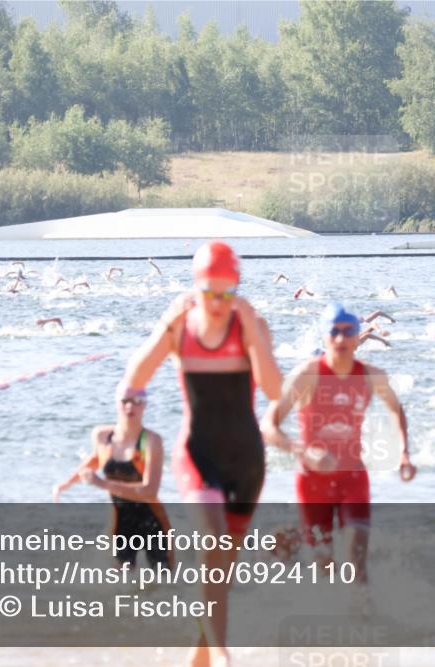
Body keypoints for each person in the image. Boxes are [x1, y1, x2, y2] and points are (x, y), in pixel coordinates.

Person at [119, 241, 282, 667]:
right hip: (196, 455)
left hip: (246, 463)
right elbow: (135, 377)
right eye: (209, 292)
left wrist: (253, 330)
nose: (216, 303)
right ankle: (225, 657)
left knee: (219, 575)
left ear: (238, 289)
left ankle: (201, 656)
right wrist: (162, 329)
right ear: (196, 287)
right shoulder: (180, 325)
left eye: (226, 293)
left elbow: (275, 391)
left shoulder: (249, 322)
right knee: (211, 547)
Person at [262, 303, 416, 588]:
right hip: (312, 481)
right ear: (324, 337)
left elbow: (397, 408)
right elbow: (268, 426)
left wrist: (404, 453)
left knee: (356, 560)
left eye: (348, 332)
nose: (341, 339)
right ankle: (292, 538)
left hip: (353, 478)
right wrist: (302, 451)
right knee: (325, 567)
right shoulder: (306, 375)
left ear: (359, 337)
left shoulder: (372, 376)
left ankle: (363, 619)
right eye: (334, 332)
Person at [53, 385, 172, 569]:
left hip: (153, 521)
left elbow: (150, 490)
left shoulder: (151, 441)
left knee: (166, 584)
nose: (130, 407)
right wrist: (67, 483)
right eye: (125, 401)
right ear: (117, 404)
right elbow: (96, 459)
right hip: (120, 521)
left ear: (145, 406)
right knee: (121, 588)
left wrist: (102, 484)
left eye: (137, 402)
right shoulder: (102, 436)